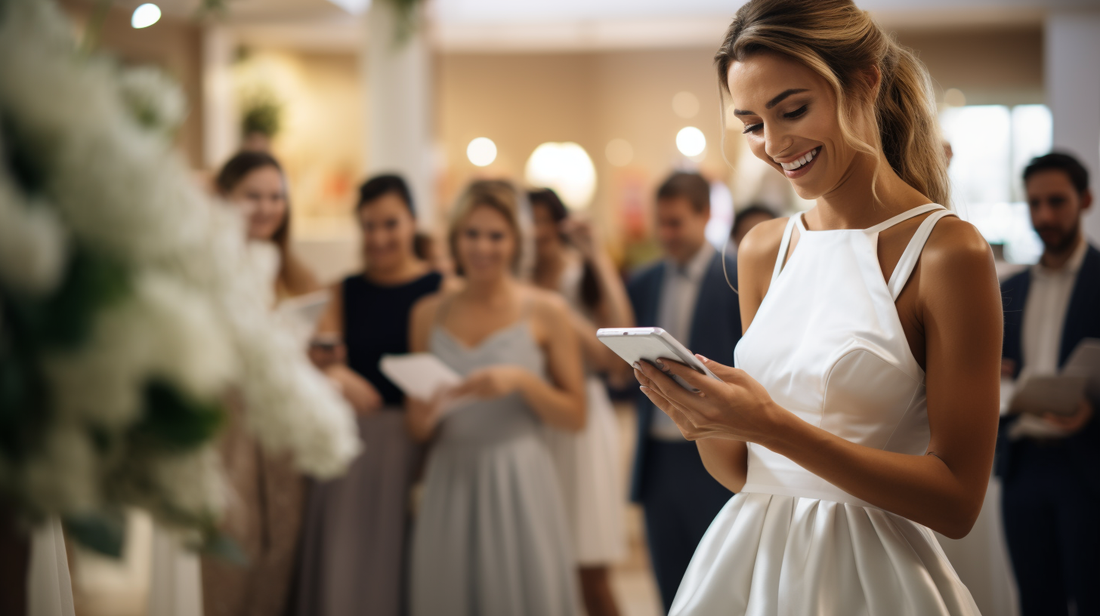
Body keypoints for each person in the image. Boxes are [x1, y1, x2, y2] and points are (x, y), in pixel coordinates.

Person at [632, 1, 1003, 614]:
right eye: (751, 123)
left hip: (870, 579)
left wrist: (769, 425)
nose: (774, 145)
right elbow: (747, 473)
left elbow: (958, 503)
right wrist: (700, 418)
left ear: (867, 80)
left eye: (793, 110)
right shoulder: (762, 251)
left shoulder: (945, 252)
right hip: (749, 568)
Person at [406, 180, 585, 616]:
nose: (482, 247)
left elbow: (576, 415)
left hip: (519, 480)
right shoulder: (427, 313)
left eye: (495, 235)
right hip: (450, 477)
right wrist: (427, 414)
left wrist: (523, 381)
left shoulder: (546, 310)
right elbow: (415, 426)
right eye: (472, 234)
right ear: (455, 238)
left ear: (515, 242)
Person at [291, 174, 443, 616]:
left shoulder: (439, 290)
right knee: (344, 560)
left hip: (410, 443)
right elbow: (324, 352)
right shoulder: (344, 289)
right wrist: (340, 373)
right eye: (369, 226)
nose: (378, 237)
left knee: (400, 565)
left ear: (413, 222)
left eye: (389, 224)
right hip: (349, 444)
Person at [203, 151, 320, 616]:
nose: (268, 207)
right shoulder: (208, 268)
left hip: (281, 445)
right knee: (225, 567)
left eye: (277, 197)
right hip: (225, 436)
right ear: (225, 198)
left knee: (277, 571)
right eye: (254, 196)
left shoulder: (294, 272)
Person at [625, 171, 741, 612]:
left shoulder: (735, 277)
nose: (665, 234)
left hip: (714, 449)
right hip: (658, 455)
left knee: (719, 585)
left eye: (676, 223)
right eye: (661, 223)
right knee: (669, 584)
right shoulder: (645, 279)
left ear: (706, 215)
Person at [999, 152, 1099, 616]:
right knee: (1037, 602)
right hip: (1021, 466)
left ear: (1085, 201)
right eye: (1034, 203)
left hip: (1089, 465)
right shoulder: (1010, 289)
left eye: (1056, 202)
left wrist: (1092, 411)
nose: (1044, 216)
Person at [530, 188, 632, 616]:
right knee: (541, 564)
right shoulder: (512, 281)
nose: (535, 232)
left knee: (588, 565)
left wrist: (596, 258)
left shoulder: (576, 279)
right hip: (533, 420)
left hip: (582, 424)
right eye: (527, 221)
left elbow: (617, 358)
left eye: (542, 220)